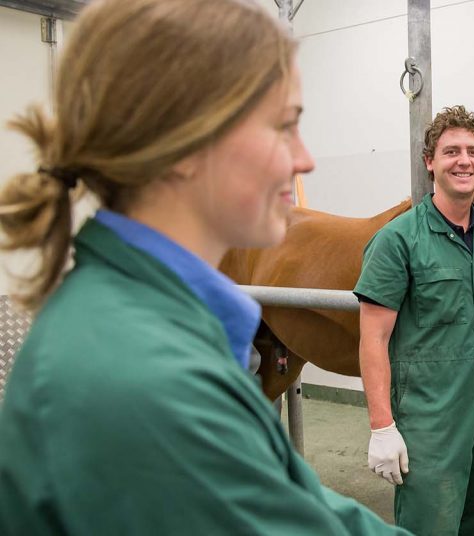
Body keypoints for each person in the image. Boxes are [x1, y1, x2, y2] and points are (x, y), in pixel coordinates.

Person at [0, 0, 410, 534]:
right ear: (187, 143)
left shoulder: (148, 320)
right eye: (281, 127)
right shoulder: (148, 378)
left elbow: (290, 503)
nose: (304, 158)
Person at [354, 105, 474, 536]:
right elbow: (372, 339)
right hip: (431, 429)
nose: (464, 160)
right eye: (451, 151)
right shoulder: (397, 241)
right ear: (430, 162)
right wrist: (382, 427)